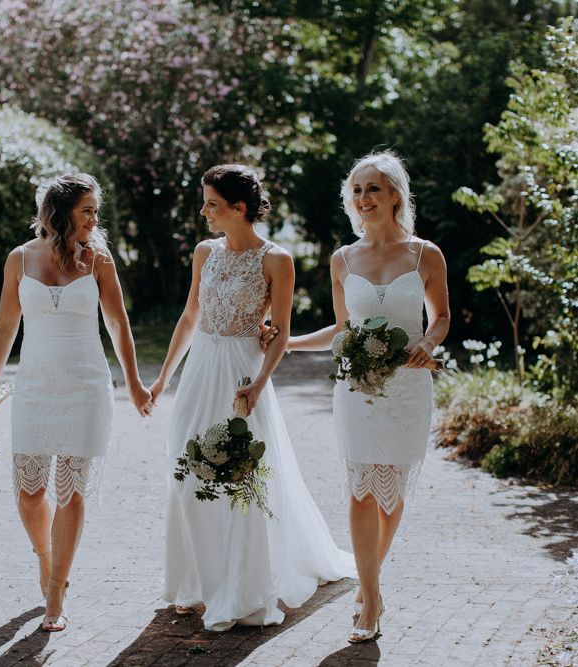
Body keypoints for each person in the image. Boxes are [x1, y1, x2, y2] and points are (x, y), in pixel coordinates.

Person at [149, 164, 355, 633]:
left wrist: (260, 382)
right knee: (187, 470)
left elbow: (279, 332)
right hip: (200, 369)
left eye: (212, 204)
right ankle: (196, 583)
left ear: (239, 208)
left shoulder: (276, 260)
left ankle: (240, 587)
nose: (204, 212)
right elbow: (188, 316)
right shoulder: (205, 252)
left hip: (242, 372)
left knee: (240, 476)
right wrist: (164, 377)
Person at [281, 150, 450, 642]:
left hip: (407, 387)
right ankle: (370, 597)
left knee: (391, 495)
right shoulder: (343, 258)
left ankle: (369, 582)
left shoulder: (425, 254)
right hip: (356, 390)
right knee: (359, 492)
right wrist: (287, 341)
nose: (363, 198)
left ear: (395, 195)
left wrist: (427, 341)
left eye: (373, 189)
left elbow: (439, 316)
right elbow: (341, 327)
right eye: (356, 191)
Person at [0, 174, 152, 632]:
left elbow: (119, 324)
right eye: (87, 209)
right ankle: (46, 556)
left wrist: (133, 383)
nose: (95, 218)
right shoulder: (20, 258)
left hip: (87, 386)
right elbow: (4, 327)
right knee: (30, 493)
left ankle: (57, 589)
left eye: (96, 210)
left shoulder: (99, 260)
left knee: (71, 491)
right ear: (60, 211)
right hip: (34, 386)